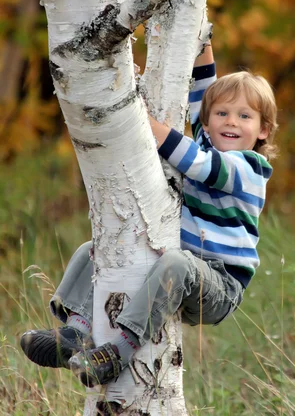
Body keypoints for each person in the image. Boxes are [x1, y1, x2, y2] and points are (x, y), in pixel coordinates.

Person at [20, 42, 278, 388]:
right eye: (222, 115)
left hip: (219, 285)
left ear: (263, 130)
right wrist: (201, 38)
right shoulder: (211, 139)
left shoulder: (247, 168)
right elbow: (203, 91)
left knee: (177, 263)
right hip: (179, 272)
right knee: (96, 247)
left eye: (244, 116)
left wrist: (141, 121)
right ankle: (75, 332)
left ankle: (117, 353)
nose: (230, 122)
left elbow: (199, 164)